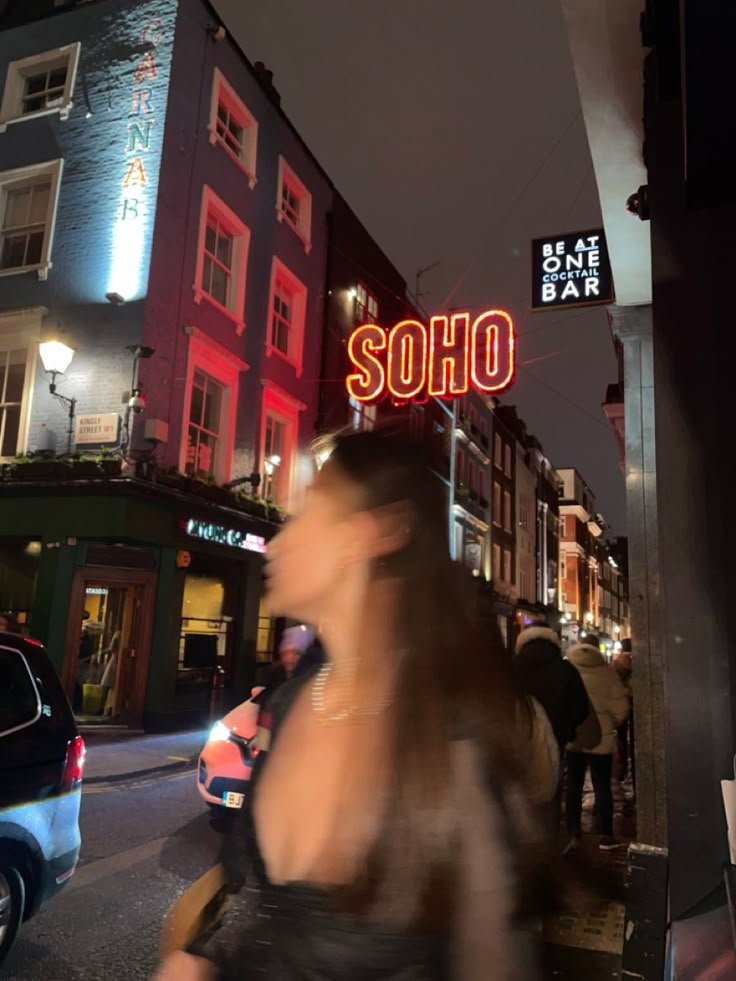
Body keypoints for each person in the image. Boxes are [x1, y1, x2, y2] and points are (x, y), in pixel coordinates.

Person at [154, 430, 545, 981]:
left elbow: (494, 959)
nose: (277, 542)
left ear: (367, 535)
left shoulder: (447, 728)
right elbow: (251, 896)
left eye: (306, 515)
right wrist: (202, 961)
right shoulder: (289, 705)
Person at [564, 633, 630, 852]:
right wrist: (609, 723)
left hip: (574, 736)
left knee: (574, 785)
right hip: (601, 739)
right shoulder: (607, 674)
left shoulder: (568, 672)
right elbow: (621, 710)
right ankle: (606, 835)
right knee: (602, 786)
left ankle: (574, 833)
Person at [613, 639, 634, 786]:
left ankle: (622, 766)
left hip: (620, 703)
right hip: (635, 702)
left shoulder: (615, 663)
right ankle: (635, 765)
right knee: (635, 737)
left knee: (621, 737)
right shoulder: (639, 661)